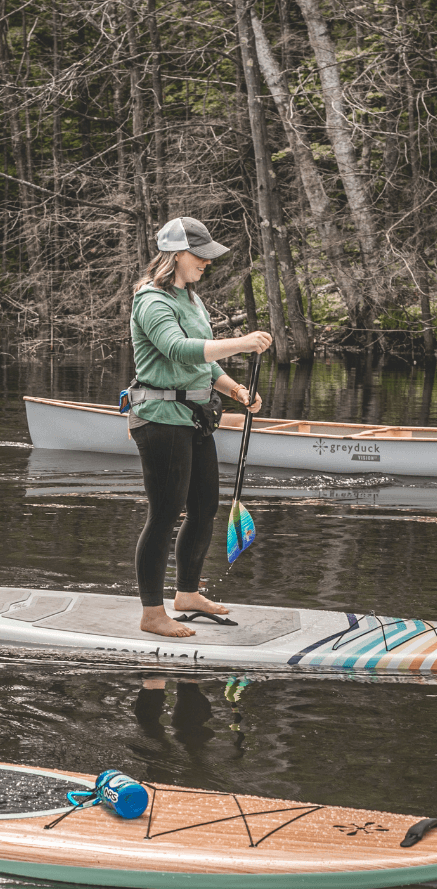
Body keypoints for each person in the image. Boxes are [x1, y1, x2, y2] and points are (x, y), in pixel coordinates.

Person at [127, 216, 271, 639]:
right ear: (175, 255)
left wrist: (234, 390)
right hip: (160, 420)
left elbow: (204, 363)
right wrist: (242, 342)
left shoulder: (191, 298)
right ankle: (152, 613)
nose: (207, 263)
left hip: (194, 418)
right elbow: (177, 348)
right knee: (165, 514)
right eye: (200, 255)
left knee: (205, 506)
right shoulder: (151, 300)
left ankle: (187, 593)